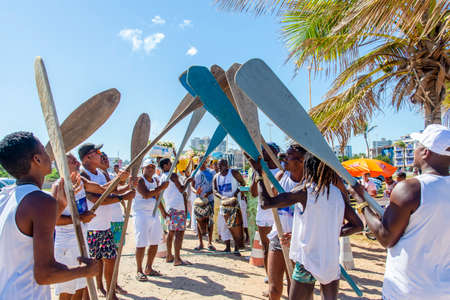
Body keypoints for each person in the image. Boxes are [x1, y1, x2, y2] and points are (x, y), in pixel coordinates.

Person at [350, 124, 450, 300]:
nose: (415, 148)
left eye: (417, 145)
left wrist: (361, 203)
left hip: (408, 290)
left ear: (426, 152)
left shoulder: (410, 189)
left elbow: (385, 237)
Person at [247, 151, 363, 300]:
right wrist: (328, 234)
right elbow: (358, 225)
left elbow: (266, 203)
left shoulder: (305, 191)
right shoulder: (337, 194)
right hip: (330, 261)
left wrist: (258, 174)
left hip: (306, 261)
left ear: (309, 168)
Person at [0, 132, 98, 299]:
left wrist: (59, 206)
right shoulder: (40, 201)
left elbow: (26, 235)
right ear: (37, 159)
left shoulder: (6, 195)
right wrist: (86, 270)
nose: (50, 157)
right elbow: (45, 274)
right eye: (45, 152)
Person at [78, 143, 134, 299]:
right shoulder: (83, 175)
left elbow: (113, 191)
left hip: (105, 226)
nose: (100, 154)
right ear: (88, 157)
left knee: (110, 259)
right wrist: (122, 196)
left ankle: (111, 293)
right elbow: (98, 199)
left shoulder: (102, 173)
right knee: (91, 266)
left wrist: (128, 187)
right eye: (97, 152)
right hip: (91, 229)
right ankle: (92, 294)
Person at [52, 153, 96, 300]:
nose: (77, 162)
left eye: (76, 160)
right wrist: (80, 218)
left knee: (80, 286)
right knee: (67, 290)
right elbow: (55, 220)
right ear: (62, 165)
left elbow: (99, 188)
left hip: (81, 242)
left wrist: (120, 181)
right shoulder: (59, 186)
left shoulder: (80, 181)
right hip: (66, 246)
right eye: (72, 161)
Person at [134, 158, 169, 281]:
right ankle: (139, 270)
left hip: (153, 214)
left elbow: (157, 198)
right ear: (143, 168)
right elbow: (146, 194)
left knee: (155, 242)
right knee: (141, 242)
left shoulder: (155, 180)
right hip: (141, 215)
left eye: (152, 167)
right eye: (148, 167)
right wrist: (162, 187)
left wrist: (163, 212)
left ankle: (149, 267)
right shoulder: (140, 180)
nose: (150, 169)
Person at [250, 142, 280, 281]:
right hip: (264, 214)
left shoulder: (283, 169)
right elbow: (254, 193)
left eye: (267, 150)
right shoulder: (260, 168)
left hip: (281, 215)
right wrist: (258, 173)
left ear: (275, 153)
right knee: (267, 248)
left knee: (282, 248)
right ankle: (270, 277)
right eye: (263, 150)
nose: (263, 153)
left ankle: (282, 276)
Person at [159, 158, 193, 266]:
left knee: (171, 232)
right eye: (170, 163)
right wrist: (188, 181)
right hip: (177, 207)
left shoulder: (162, 177)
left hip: (170, 207)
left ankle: (169, 255)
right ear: (165, 166)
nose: (172, 164)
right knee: (179, 233)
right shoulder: (172, 175)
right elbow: (182, 189)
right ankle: (177, 259)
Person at [213, 159, 246, 255]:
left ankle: (236, 248)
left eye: (222, 165)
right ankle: (227, 247)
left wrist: (235, 194)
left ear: (227, 165)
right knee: (223, 226)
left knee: (235, 227)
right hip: (224, 205)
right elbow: (214, 190)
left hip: (235, 204)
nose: (220, 167)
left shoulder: (234, 173)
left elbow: (243, 183)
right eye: (219, 166)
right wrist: (222, 197)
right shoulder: (216, 177)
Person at [191, 157, 216, 251]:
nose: (202, 163)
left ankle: (210, 242)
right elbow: (192, 185)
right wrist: (195, 191)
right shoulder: (195, 172)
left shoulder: (212, 172)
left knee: (210, 221)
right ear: (197, 162)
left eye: (204, 162)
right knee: (199, 221)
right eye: (200, 161)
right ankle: (200, 243)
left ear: (207, 162)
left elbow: (215, 186)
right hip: (199, 200)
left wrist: (208, 193)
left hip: (210, 200)